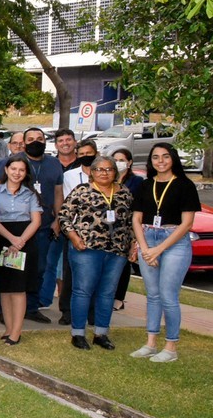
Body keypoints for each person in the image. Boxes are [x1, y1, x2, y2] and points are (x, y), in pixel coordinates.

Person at [129, 143, 200, 363]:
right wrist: (145, 247)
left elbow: (187, 223)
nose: (160, 161)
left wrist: (159, 249)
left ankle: (170, 347)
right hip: (148, 238)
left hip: (174, 242)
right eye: (156, 157)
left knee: (169, 296)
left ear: (173, 159)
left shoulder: (184, 185)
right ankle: (150, 343)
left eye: (165, 157)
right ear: (150, 161)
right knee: (152, 295)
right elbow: (136, 219)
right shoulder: (145, 184)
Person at [60, 157, 135, 351]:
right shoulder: (82, 190)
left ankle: (101, 333)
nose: (104, 173)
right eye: (100, 169)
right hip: (87, 249)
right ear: (92, 172)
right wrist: (74, 237)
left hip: (117, 251)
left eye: (109, 169)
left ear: (115, 172)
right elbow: (64, 216)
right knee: (83, 290)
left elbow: (131, 222)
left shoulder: (124, 193)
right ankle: (78, 333)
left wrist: (133, 244)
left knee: (107, 292)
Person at [0, 128, 61, 326]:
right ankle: (3, 309)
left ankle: (32, 308)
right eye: (31, 139)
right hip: (8, 229)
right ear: (23, 143)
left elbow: (58, 193)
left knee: (37, 269)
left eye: (40, 139)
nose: (36, 142)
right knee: (7, 270)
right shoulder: (14, 162)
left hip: (41, 228)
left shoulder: (53, 163)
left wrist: (58, 219)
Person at [0, 155, 42, 345]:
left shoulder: (30, 194)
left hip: (25, 240)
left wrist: (20, 241)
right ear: (6, 170)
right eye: (13, 169)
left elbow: (36, 220)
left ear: (26, 173)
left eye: (21, 170)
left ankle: (16, 332)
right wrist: (11, 239)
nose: (16, 173)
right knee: (4, 288)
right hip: (1, 239)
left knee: (18, 288)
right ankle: (8, 329)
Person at [56, 139, 99, 326]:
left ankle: (92, 312)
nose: (85, 157)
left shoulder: (104, 173)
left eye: (89, 153)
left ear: (96, 153)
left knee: (95, 275)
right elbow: (64, 202)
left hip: (98, 233)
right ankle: (67, 311)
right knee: (70, 273)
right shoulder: (70, 176)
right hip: (73, 231)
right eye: (81, 154)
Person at [112, 148, 143, 310]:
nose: (118, 163)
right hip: (110, 228)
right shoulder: (109, 179)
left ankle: (119, 299)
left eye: (121, 160)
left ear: (129, 162)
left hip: (128, 228)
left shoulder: (136, 182)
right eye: (115, 159)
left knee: (123, 264)